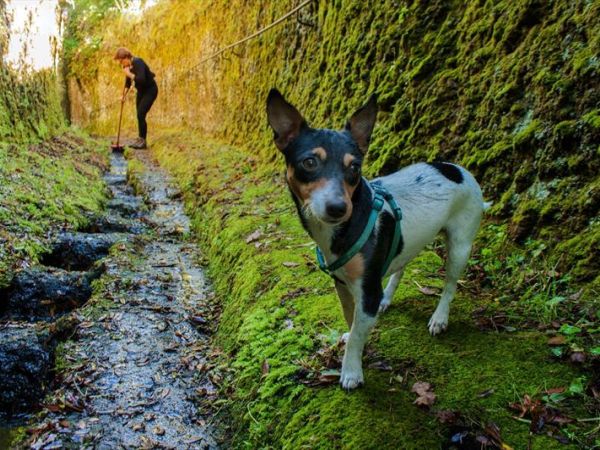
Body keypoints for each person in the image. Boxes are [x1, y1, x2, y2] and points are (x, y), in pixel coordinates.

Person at [114, 47, 158, 149]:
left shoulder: (138, 62)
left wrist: (129, 73)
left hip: (150, 90)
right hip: (141, 92)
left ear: (125, 58)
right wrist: (123, 96)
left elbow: (141, 79)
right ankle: (140, 138)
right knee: (139, 115)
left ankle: (143, 142)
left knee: (141, 113)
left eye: (121, 61)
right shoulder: (129, 66)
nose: (121, 64)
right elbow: (128, 83)